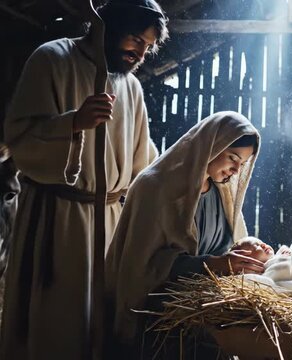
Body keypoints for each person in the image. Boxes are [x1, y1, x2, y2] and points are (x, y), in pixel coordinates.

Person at [0, 0, 167, 358]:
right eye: (136, 39)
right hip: (55, 221)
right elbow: (19, 139)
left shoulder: (131, 88)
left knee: (100, 327)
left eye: (148, 46)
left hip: (108, 224)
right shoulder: (52, 60)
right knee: (55, 325)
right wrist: (72, 124)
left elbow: (145, 163)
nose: (140, 52)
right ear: (109, 26)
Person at [105, 111, 262, 358]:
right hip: (163, 318)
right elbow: (140, 267)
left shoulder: (223, 194)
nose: (235, 169)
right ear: (212, 145)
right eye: (232, 158)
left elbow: (230, 244)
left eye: (241, 164)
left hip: (209, 307)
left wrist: (248, 253)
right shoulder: (154, 188)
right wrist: (211, 265)